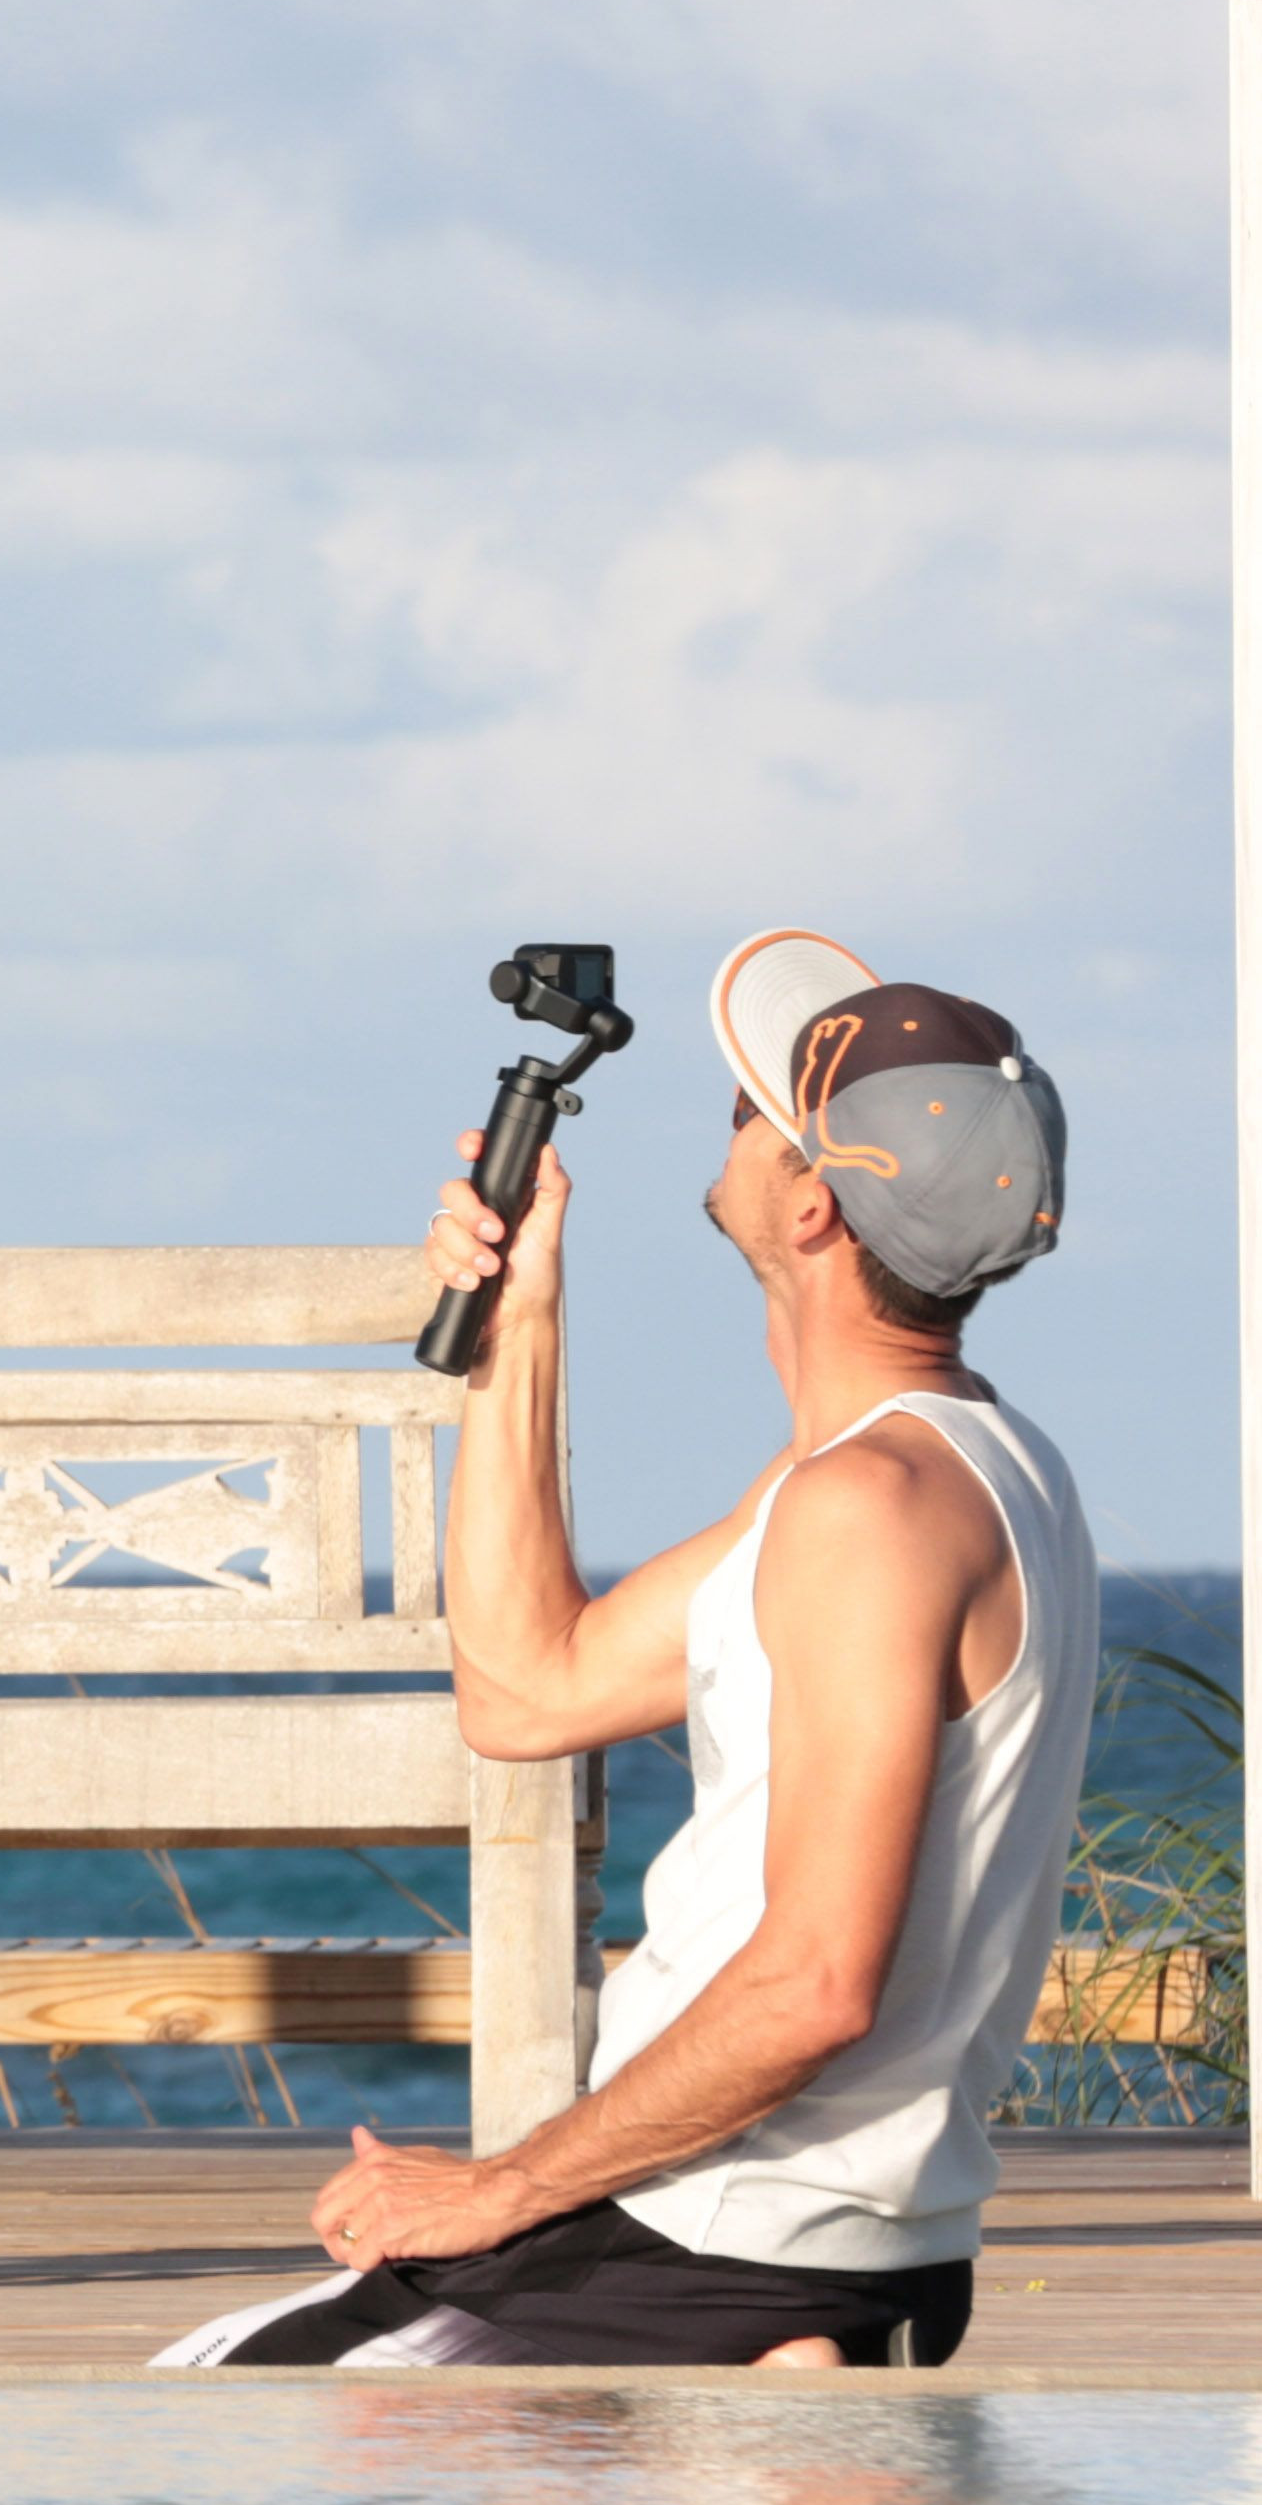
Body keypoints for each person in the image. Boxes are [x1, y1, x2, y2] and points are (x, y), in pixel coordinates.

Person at [162, 930, 1089, 2370]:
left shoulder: (866, 1513)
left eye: (751, 1113)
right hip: (774, 2230)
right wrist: (520, 1318)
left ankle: (753, 2398)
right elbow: (526, 1687)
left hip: (719, 2231)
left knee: (216, 2413)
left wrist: (501, 2189)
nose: (728, 1123)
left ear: (810, 1212)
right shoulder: (941, 1471)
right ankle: (762, 2406)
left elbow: (814, 1985)